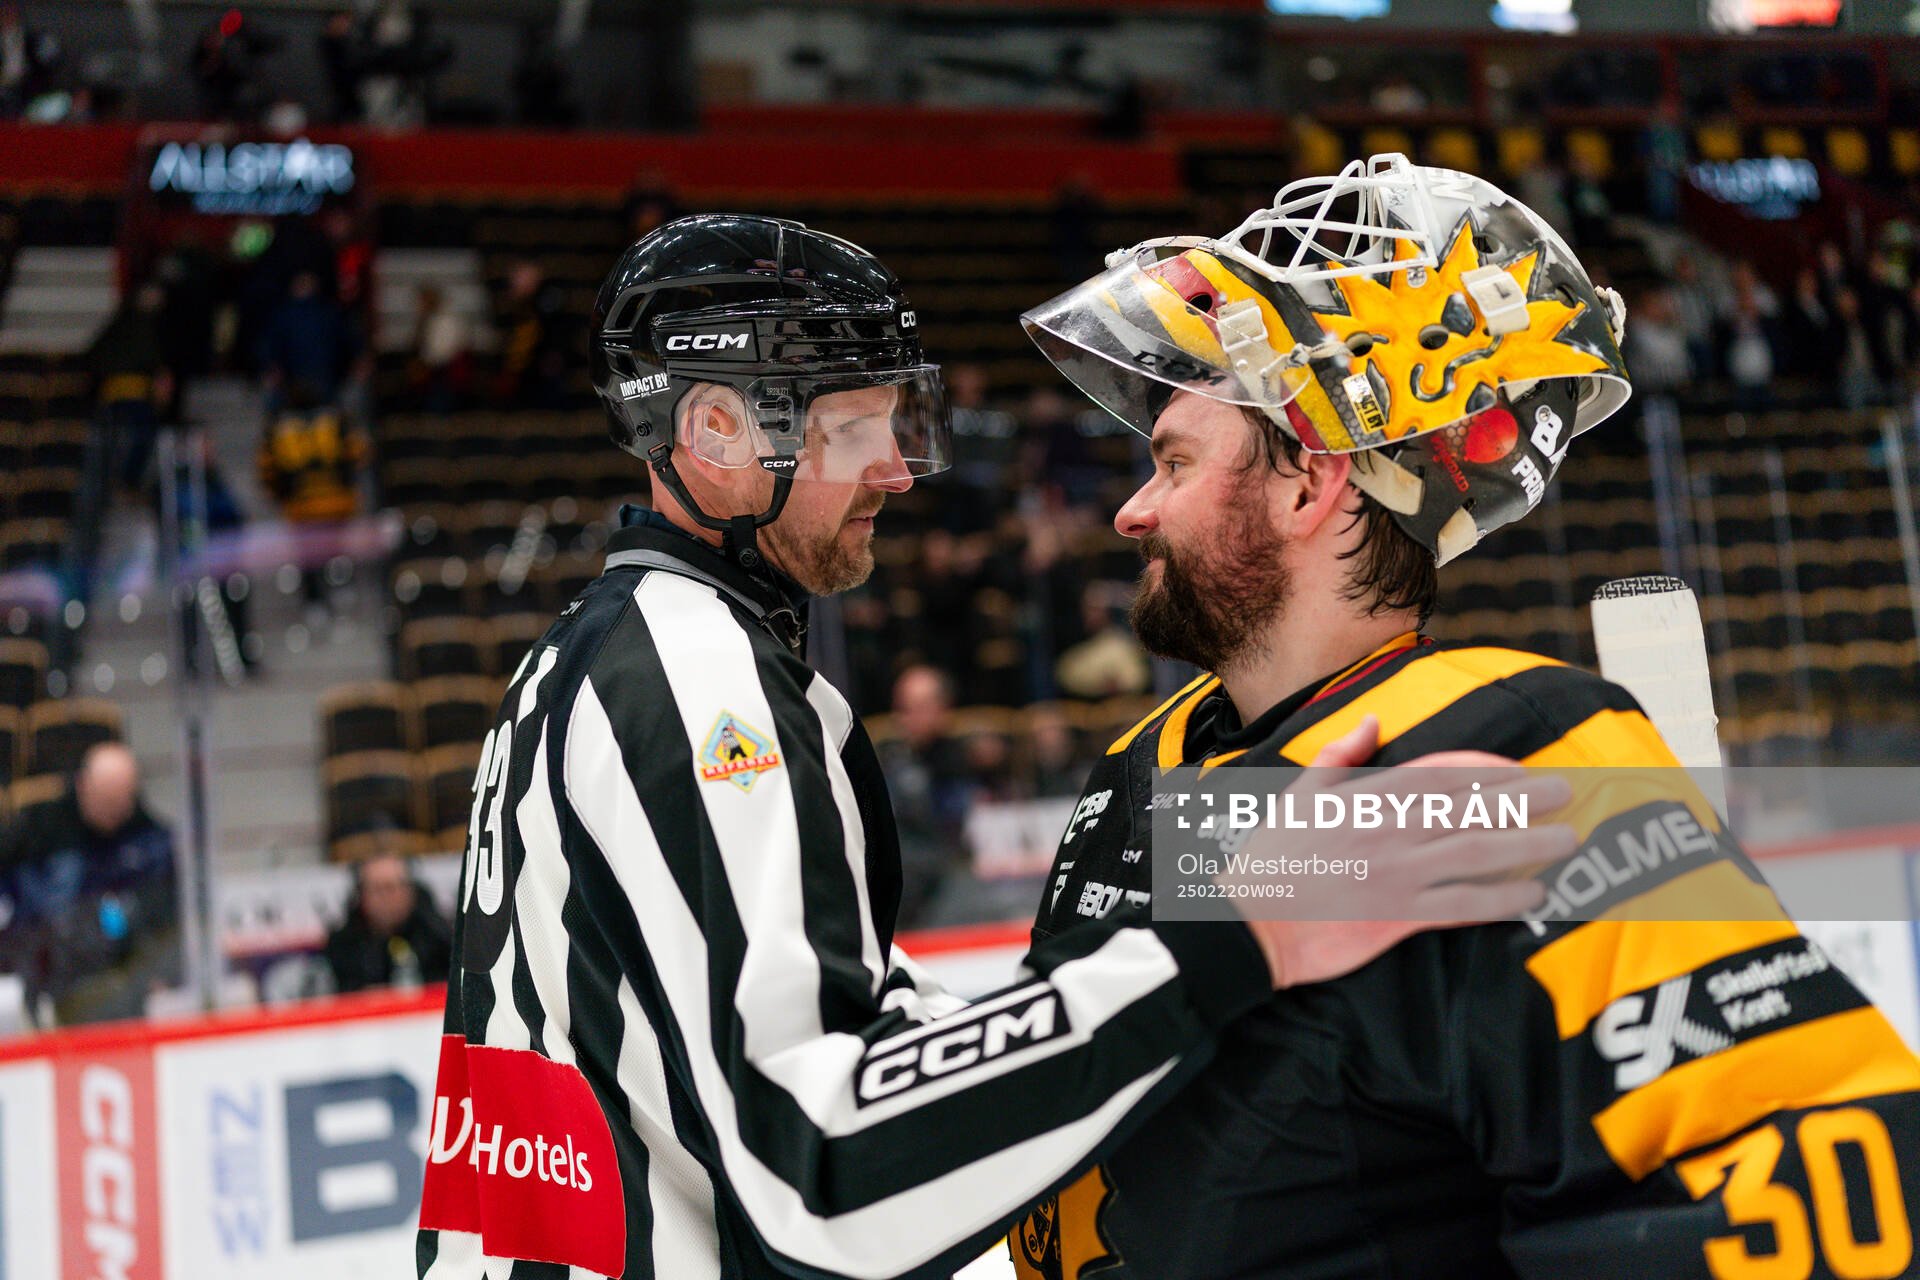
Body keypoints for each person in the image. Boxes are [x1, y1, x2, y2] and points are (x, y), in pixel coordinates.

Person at [415, 213, 1570, 1280]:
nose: (896, 469)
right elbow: (815, 1169)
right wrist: (1229, 932)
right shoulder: (690, 672)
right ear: (716, 429)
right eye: (855, 427)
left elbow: (862, 1043)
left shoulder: (602, 659)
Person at [1008, 151, 1920, 1278]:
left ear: (1310, 482)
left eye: (1174, 460)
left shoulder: (1517, 748)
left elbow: (1821, 1175)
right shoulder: (1143, 763)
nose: (1135, 510)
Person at [0, 742, 177, 1024]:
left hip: (117, 977)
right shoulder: (38, 831)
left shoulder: (148, 839)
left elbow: (166, 915)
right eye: (106, 800)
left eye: (122, 801)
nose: (115, 811)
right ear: (83, 785)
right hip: (43, 974)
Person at [325, 852, 453, 992]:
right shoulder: (344, 944)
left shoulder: (437, 934)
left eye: (392, 888)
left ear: (410, 890)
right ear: (361, 896)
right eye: (377, 889)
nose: (386, 898)